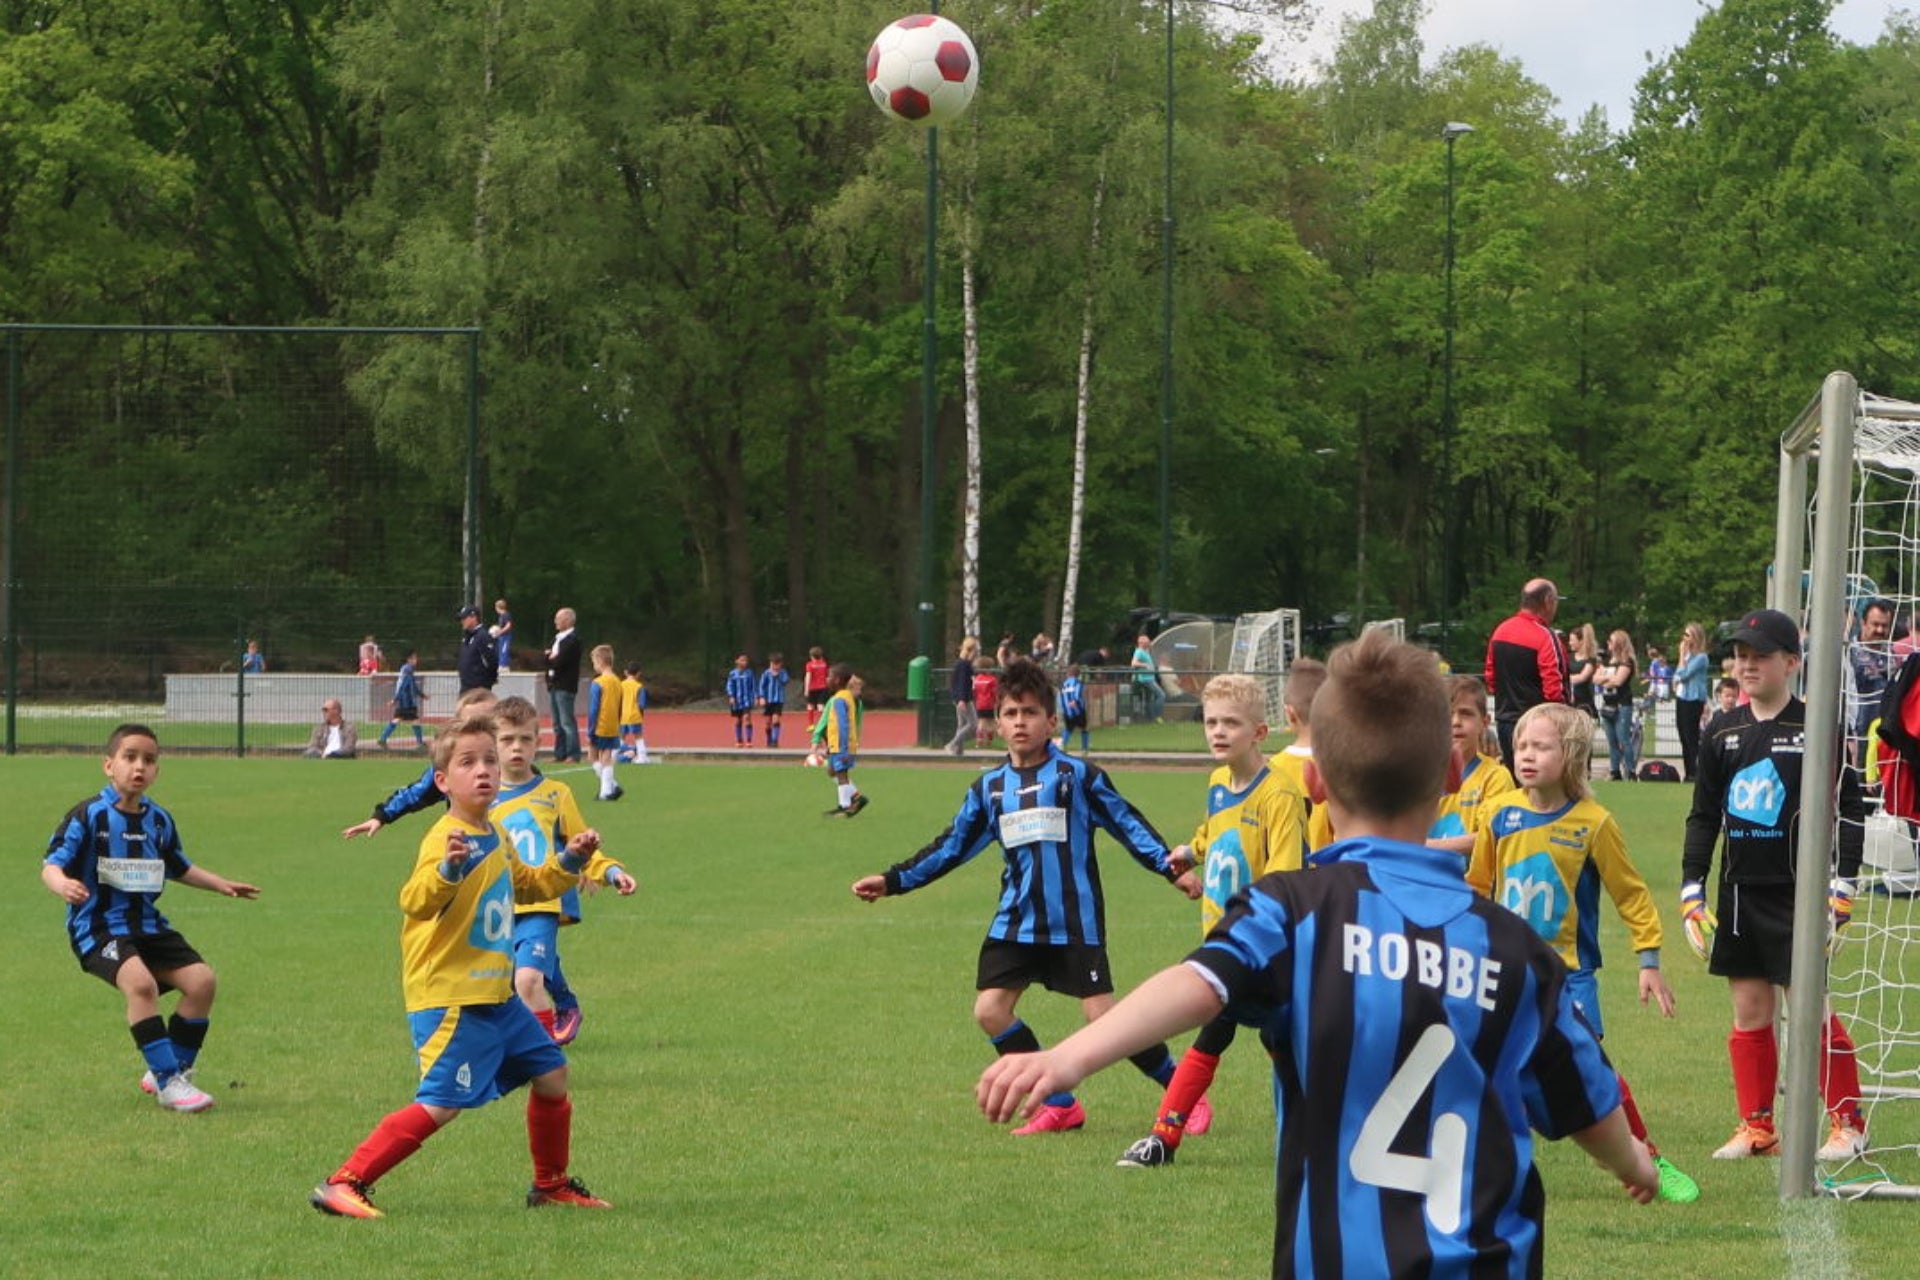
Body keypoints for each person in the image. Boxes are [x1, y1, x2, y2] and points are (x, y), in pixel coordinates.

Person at [977, 631, 1656, 1275]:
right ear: (1452, 773)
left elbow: (1197, 983)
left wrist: (1067, 1058)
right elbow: (1587, 1104)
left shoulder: (1292, 914)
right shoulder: (1517, 949)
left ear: (1317, 781)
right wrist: (1633, 1163)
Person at [856, 658, 1201, 1136]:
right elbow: (950, 847)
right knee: (990, 1010)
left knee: (1102, 1016)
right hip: (1016, 922)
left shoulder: (1078, 777)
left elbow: (1128, 824)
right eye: (1011, 713)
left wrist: (1170, 868)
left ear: (1051, 722)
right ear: (997, 724)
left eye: (1031, 712)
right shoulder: (990, 789)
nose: (1021, 722)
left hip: (1073, 921)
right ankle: (1060, 1105)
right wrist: (893, 880)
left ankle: (1182, 1093)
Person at [309, 713, 615, 1218]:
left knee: (552, 1072)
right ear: (442, 781)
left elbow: (530, 885)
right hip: (451, 997)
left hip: (496, 997)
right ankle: (345, 1181)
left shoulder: (494, 831)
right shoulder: (445, 837)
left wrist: (571, 861)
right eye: (468, 763)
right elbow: (415, 900)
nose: (484, 771)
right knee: (442, 1102)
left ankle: (551, 1186)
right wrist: (449, 871)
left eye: (489, 760)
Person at [1467, 701, 1699, 1203]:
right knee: (1493, 1070)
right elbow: (1478, 888)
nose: (1526, 755)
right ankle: (1497, 1171)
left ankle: (1646, 1157)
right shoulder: (1498, 814)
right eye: (1521, 745)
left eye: (1541, 746)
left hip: (1568, 976)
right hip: (1505, 972)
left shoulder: (1594, 823)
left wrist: (1649, 960)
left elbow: (1631, 894)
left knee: (1593, 1068)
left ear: (1571, 755)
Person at [1681, 607, 1869, 1162]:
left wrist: (1844, 885)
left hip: (1799, 895)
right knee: (1749, 1009)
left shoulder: (1817, 727)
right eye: (1740, 655)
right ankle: (1757, 1127)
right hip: (1740, 893)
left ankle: (1849, 1124)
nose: (1746, 665)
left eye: (1760, 656)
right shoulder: (1721, 730)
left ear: (1791, 662)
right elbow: (1703, 816)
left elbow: (1849, 811)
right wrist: (1692, 887)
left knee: (1810, 1008)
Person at [1116, 674, 1308, 1169]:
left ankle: (1165, 1137)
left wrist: (1254, 933)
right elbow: (1215, 830)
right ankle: (1164, 1139)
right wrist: (1192, 850)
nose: (1218, 732)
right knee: (1226, 1032)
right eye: (1211, 722)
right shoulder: (1219, 782)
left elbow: (1287, 878)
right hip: (1224, 940)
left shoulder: (1280, 795)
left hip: (1264, 948)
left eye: (1231, 723)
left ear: (1259, 732)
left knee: (1269, 1035)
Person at [41, 724, 261, 1114]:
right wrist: (62, 885)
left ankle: (172, 1070)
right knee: (140, 985)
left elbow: (178, 866)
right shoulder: (88, 815)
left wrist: (221, 884)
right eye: (129, 757)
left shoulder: (159, 820)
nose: (139, 766)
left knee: (202, 983)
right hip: (98, 928)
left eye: (149, 760)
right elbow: (51, 864)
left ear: (157, 770)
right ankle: (168, 1081)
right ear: (109, 765)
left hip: (148, 925)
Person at [491, 697, 636, 1043]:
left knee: (527, 980)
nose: (516, 747)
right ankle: (564, 1005)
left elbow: (583, 844)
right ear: (491, 743)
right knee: (504, 985)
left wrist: (611, 872)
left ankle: (542, 1057)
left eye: (525, 739)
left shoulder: (555, 795)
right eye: (507, 739)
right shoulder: (482, 797)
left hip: (543, 901)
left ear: (538, 742)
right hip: (497, 905)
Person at [345, 688, 500, 839]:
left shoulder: (512, 763)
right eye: (471, 724)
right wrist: (381, 815)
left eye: (488, 723)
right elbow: (415, 793)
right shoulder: (451, 770)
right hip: (468, 846)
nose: (480, 731)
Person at [1484, 577, 1571, 769]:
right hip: (1537, 725)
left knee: (1513, 778)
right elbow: (1554, 689)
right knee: (1541, 780)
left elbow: (1491, 678)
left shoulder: (1500, 631)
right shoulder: (1546, 637)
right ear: (1548, 601)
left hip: (1505, 721)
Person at [1428, 674, 1515, 856]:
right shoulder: (1418, 775)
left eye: (1466, 714)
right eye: (1447, 714)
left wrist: (1426, 847)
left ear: (1485, 722)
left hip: (1467, 874)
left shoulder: (1495, 777)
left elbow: (1491, 836)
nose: (1455, 722)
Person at [1265, 658, 1335, 853]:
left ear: (1289, 713)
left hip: (1283, 870)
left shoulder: (1270, 770)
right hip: (1329, 870)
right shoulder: (1343, 767)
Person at [817, 663, 869, 817]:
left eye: (829, 676)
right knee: (832, 771)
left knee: (841, 774)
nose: (827, 679)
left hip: (842, 745)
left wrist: (843, 747)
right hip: (838, 744)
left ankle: (844, 806)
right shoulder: (846, 697)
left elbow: (843, 725)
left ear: (837, 680)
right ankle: (857, 797)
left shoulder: (839, 699)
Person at [1848, 598, 1895, 768]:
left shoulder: (1892, 655)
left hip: (1884, 738)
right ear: (1863, 623)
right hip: (1856, 739)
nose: (1880, 630)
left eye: (1885, 626)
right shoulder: (1848, 653)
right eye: (1875, 624)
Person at [1597, 629, 1640, 781]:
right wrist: (1606, 679)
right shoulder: (1607, 661)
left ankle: (1631, 770)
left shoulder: (1627, 661)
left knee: (1623, 739)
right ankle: (1614, 770)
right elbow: (1595, 678)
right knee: (1612, 741)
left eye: (1611, 640)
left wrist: (1605, 679)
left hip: (1622, 704)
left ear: (1619, 643)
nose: (1608, 643)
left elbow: (1618, 681)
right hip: (1607, 704)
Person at [1673, 622, 1712, 781]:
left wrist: (1682, 656)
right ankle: (1688, 771)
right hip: (1682, 697)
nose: (1684, 638)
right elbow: (1677, 675)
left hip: (1694, 698)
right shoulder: (1687, 657)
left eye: (1687, 635)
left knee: (1691, 735)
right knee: (1683, 733)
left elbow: (1683, 675)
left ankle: (1695, 772)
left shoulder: (1701, 658)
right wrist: (1682, 658)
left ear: (1695, 638)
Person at [585, 644, 624, 802]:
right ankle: (611, 786)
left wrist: (590, 729)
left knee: (594, 756)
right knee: (605, 755)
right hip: (613, 724)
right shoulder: (617, 681)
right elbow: (620, 705)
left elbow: (594, 708)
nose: (594, 665)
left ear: (600, 661)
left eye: (594, 662)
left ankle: (607, 790)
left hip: (600, 724)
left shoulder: (598, 682)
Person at [545, 608, 582, 764]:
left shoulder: (573, 640)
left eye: (558, 618)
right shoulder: (556, 638)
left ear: (567, 620)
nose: (555, 622)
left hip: (565, 685)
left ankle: (573, 754)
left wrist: (552, 658)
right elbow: (546, 659)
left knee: (567, 721)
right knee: (557, 723)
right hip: (553, 684)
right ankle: (560, 753)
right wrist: (550, 657)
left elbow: (560, 661)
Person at [379, 648, 427, 750]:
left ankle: (383, 738)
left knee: (398, 719)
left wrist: (421, 695)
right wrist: (395, 699)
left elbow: (408, 685)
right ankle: (420, 743)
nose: (416, 660)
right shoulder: (408, 670)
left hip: (403, 700)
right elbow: (405, 686)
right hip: (407, 701)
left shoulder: (404, 669)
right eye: (414, 658)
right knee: (415, 720)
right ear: (409, 659)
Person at [944, 636, 980, 757]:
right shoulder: (964, 665)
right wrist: (961, 700)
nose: (976, 653)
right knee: (973, 724)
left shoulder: (962, 663)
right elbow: (961, 683)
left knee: (962, 724)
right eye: (975, 650)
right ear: (971, 650)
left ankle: (958, 751)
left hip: (961, 698)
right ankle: (952, 744)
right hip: (964, 699)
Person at [456, 605, 498, 694]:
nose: (462, 621)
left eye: (464, 618)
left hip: (478, 688)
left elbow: (491, 661)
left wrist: (488, 680)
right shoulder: (467, 637)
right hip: (465, 686)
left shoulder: (483, 636)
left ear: (473, 617)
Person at [1566, 623, 1601, 719]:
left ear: (1581, 641)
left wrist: (1565, 679)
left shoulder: (1590, 660)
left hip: (1584, 702)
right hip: (1570, 702)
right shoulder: (1568, 657)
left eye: (1572, 640)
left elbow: (1582, 677)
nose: (1570, 643)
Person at [758, 652, 791, 749]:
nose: (775, 666)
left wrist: (778, 675)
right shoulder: (766, 673)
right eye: (773, 664)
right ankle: (768, 739)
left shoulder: (783, 673)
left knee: (776, 719)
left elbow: (785, 681)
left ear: (780, 664)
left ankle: (775, 740)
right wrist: (761, 697)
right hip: (768, 700)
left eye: (777, 664)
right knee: (768, 722)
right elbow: (761, 686)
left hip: (778, 700)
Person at [619, 663, 650, 765]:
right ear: (638, 673)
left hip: (623, 715)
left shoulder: (621, 685)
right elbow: (642, 704)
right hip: (634, 715)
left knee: (621, 736)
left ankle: (615, 755)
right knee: (638, 737)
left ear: (626, 672)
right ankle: (642, 757)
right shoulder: (639, 686)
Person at [1129, 633, 1164, 722]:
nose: (1149, 643)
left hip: (1150, 678)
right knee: (1161, 695)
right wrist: (1145, 665)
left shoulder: (1146, 651)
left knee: (1149, 700)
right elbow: (1133, 663)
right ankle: (1157, 715)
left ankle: (1151, 719)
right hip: (1145, 679)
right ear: (1142, 643)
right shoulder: (1139, 652)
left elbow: (1151, 647)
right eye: (1147, 642)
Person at [726, 653, 756, 748]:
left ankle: (749, 740)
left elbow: (753, 686)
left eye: (746, 660)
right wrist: (731, 696)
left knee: (747, 718)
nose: (745, 662)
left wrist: (755, 697)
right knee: (738, 720)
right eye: (742, 660)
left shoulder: (750, 673)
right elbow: (730, 685)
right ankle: (739, 740)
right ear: (737, 661)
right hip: (737, 701)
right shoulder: (733, 673)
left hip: (747, 700)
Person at [1058, 663, 1089, 753]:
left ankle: (1062, 745)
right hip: (1078, 710)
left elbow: (1060, 696)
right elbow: (1078, 693)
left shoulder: (1064, 684)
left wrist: (1062, 708)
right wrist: (1075, 701)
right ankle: (1084, 748)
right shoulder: (1077, 683)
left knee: (1068, 728)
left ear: (1068, 673)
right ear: (1078, 674)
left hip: (1066, 710)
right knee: (1084, 728)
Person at [971, 661, 1000, 748]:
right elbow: (995, 692)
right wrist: (997, 701)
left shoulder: (977, 679)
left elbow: (974, 691)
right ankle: (989, 741)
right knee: (991, 722)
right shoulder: (992, 679)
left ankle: (979, 740)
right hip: (989, 703)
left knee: (981, 721)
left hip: (979, 703)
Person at [803, 646, 830, 730]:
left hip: (812, 688)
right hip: (823, 688)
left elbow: (808, 676)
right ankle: (824, 723)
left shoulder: (809, 665)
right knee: (821, 706)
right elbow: (827, 677)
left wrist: (806, 689)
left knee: (810, 705)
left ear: (811, 656)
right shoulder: (824, 664)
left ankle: (811, 724)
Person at [493, 598, 514, 670]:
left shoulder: (506, 615)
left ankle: (504, 665)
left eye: (496, 607)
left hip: (506, 636)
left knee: (504, 650)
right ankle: (502, 665)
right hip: (501, 636)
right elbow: (501, 626)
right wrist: (496, 631)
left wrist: (501, 631)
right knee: (500, 650)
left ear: (498, 607)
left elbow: (508, 625)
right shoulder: (501, 616)